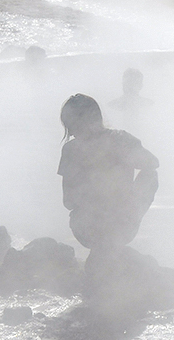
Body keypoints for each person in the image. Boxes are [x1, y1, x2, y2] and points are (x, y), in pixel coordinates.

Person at [57, 93, 160, 252]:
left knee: (150, 173)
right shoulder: (120, 139)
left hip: (85, 230)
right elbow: (152, 163)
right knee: (150, 175)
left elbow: (68, 202)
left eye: (71, 126)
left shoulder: (71, 149)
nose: (70, 133)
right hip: (123, 225)